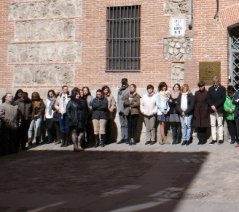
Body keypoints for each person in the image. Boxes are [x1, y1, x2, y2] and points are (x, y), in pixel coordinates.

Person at [207, 76, 226, 144]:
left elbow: (223, 99)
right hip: (212, 109)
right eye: (214, 82)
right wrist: (212, 105)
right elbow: (208, 98)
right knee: (212, 124)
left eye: (216, 82)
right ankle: (214, 139)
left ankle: (220, 138)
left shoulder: (223, 89)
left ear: (219, 82)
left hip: (219, 109)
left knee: (220, 124)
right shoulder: (210, 89)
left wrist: (215, 105)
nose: (215, 83)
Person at [117, 78, 130, 144]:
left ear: (127, 82)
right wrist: (119, 109)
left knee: (127, 124)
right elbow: (118, 100)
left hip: (126, 109)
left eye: (125, 82)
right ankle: (123, 137)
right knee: (122, 125)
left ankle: (127, 138)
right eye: (123, 82)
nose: (124, 84)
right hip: (120, 110)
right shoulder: (119, 90)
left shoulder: (129, 89)